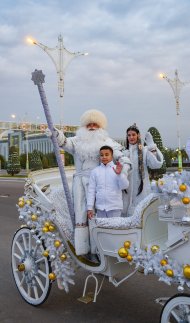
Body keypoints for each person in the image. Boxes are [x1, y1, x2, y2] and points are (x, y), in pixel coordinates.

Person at [52, 109, 131, 256]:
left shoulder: (106, 141)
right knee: (81, 214)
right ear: (84, 126)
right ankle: (83, 249)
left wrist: (124, 166)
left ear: (100, 126)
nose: (92, 127)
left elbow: (120, 155)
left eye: (95, 124)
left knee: (97, 215)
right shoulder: (77, 140)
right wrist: (57, 134)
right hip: (80, 184)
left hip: (99, 183)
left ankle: (99, 249)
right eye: (89, 124)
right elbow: (64, 143)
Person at [123, 123, 163, 216]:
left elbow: (156, 164)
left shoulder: (144, 151)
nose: (131, 137)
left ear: (138, 136)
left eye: (133, 135)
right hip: (127, 192)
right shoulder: (124, 153)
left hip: (141, 190)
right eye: (129, 135)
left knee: (141, 216)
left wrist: (152, 146)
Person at [87, 146, 129, 220]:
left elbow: (124, 186)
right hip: (100, 209)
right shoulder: (95, 171)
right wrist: (89, 207)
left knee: (114, 231)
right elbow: (91, 190)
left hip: (115, 207)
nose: (104, 157)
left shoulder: (118, 169)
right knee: (102, 230)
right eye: (102, 155)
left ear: (112, 156)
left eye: (107, 154)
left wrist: (119, 175)